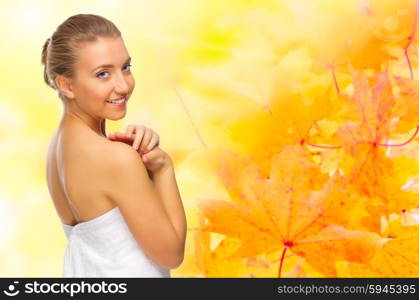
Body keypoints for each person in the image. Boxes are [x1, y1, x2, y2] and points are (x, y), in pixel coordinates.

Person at [43, 14, 187, 277]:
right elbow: (171, 254)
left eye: (126, 67)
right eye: (103, 74)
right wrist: (163, 168)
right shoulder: (116, 158)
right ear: (66, 84)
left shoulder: (56, 149)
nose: (123, 85)